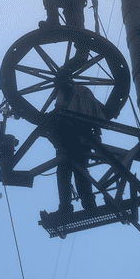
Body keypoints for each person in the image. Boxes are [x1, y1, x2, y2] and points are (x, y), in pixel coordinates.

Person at [46, 80, 105, 215]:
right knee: (80, 172)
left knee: (64, 173)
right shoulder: (84, 92)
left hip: (70, 139)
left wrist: (56, 141)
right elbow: (97, 118)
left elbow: (57, 114)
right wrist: (97, 141)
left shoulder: (66, 92)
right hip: (81, 139)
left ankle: (67, 207)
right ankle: (89, 204)